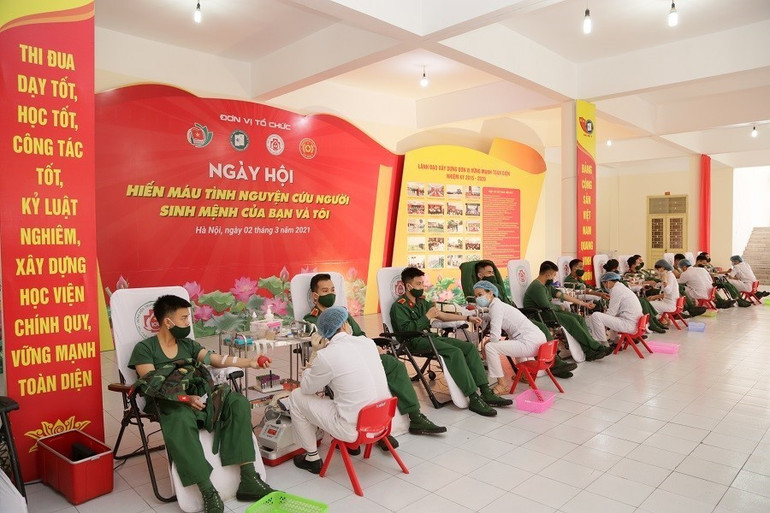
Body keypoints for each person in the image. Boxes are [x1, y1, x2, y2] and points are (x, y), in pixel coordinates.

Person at [129, 295, 274, 513]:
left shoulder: (187, 345)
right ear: (167, 322)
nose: (188, 322)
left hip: (200, 395)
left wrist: (250, 362)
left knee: (237, 401)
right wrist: (185, 399)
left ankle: (249, 478)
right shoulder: (145, 349)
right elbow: (153, 385)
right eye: (184, 318)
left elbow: (216, 359)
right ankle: (207, 491)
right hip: (169, 403)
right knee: (179, 416)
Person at [303, 274, 446, 437]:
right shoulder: (310, 320)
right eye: (325, 290)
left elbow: (360, 334)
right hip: (341, 362)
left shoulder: (343, 314)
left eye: (332, 290)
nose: (330, 294)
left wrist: (372, 348)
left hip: (362, 355)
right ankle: (375, 430)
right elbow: (321, 344)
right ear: (315, 295)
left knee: (394, 364)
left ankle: (415, 416)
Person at [390, 266, 512, 417]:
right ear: (408, 286)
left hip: (429, 337)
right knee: (454, 352)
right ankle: (473, 397)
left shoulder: (422, 302)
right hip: (413, 341)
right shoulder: (399, 306)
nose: (422, 287)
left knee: (469, 348)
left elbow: (441, 315)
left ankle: (486, 391)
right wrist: (426, 317)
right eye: (418, 284)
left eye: (422, 283)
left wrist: (467, 318)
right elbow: (405, 330)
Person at [291, 307, 391, 474]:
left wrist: (314, 354)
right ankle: (350, 447)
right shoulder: (367, 343)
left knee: (296, 396)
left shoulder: (327, 355)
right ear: (344, 325)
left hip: (354, 429)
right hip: (383, 421)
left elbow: (307, 388)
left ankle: (312, 458)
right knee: (346, 394)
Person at [474, 280, 551, 394]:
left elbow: (495, 336)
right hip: (538, 341)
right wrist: (475, 316)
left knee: (490, 347)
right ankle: (524, 375)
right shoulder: (499, 305)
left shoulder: (496, 307)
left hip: (530, 343)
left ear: (490, 293)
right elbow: (490, 316)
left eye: (480, 295)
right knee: (514, 340)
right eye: (475, 296)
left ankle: (502, 384)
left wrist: (486, 343)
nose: (477, 298)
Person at [522, 261, 610, 361]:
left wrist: (583, 304)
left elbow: (562, 295)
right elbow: (546, 306)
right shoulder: (537, 287)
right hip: (540, 315)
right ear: (548, 275)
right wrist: (561, 308)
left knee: (579, 318)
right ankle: (595, 346)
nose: (554, 277)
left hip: (549, 312)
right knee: (571, 321)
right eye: (554, 275)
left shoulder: (546, 286)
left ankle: (588, 351)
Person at [588, 271, 644, 346]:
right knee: (614, 317)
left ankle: (603, 344)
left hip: (629, 325)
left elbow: (611, 313)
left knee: (596, 316)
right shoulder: (621, 288)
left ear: (607, 282)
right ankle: (616, 341)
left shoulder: (616, 290)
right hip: (636, 324)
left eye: (604, 283)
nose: (605, 286)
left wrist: (603, 321)